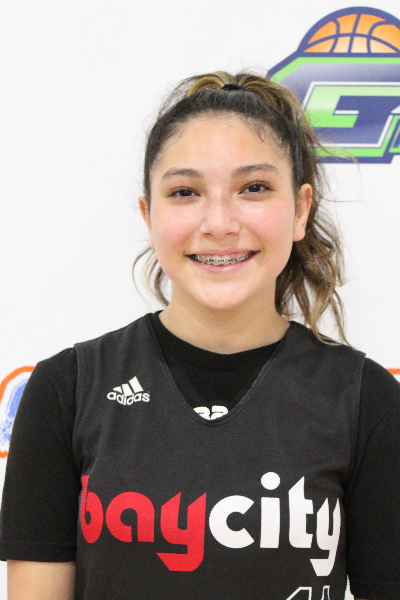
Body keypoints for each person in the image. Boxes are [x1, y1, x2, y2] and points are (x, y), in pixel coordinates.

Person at [1, 71, 399, 600]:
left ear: (300, 210)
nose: (219, 222)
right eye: (185, 192)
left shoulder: (366, 401)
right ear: (149, 215)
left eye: (253, 188)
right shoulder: (66, 390)